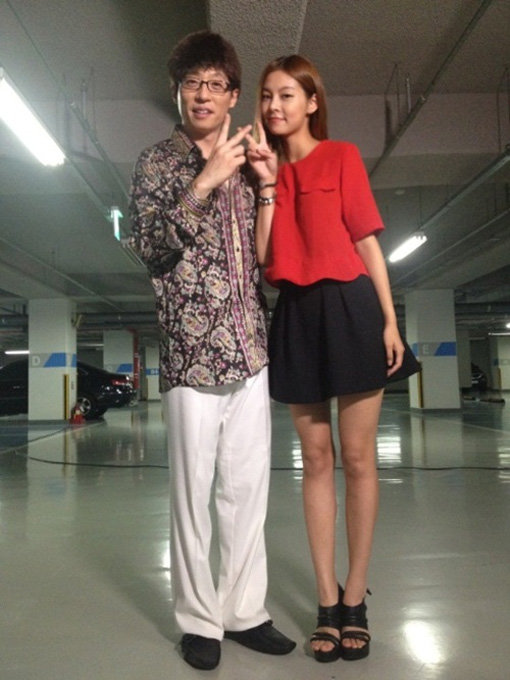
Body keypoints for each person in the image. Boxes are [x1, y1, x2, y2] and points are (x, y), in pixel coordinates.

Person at [129, 31, 296, 671]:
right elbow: (151, 249)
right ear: (178, 92)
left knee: (247, 493)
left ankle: (244, 611)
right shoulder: (155, 163)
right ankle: (200, 621)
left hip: (250, 346)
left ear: (232, 95)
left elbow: (266, 263)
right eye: (192, 83)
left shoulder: (251, 160)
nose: (203, 94)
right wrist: (206, 180)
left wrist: (267, 186)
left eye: (215, 84)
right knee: (192, 496)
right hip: (190, 353)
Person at [246, 54, 420, 663]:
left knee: (359, 458)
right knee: (315, 459)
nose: (274, 106)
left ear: (312, 102)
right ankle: (326, 600)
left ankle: (354, 597)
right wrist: (267, 183)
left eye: (287, 95)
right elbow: (264, 261)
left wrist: (391, 320)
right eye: (267, 96)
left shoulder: (341, 156)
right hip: (296, 313)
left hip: (351, 306)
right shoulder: (261, 171)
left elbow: (367, 241)